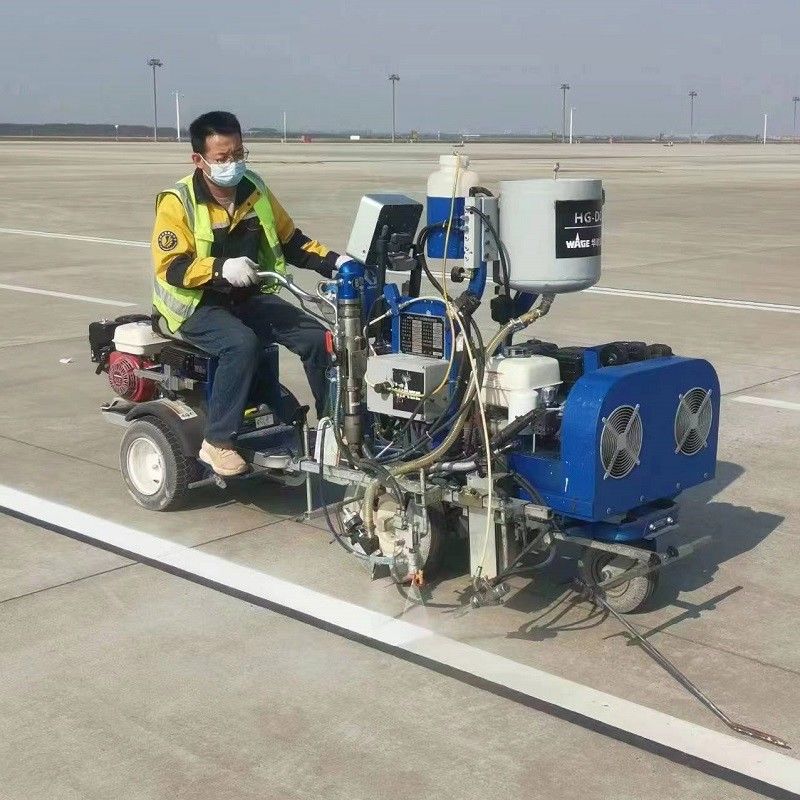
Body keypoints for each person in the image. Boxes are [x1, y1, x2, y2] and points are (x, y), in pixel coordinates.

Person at [151, 110, 347, 477]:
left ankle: (333, 431)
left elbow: (291, 241)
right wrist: (220, 268)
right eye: (222, 157)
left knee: (319, 339)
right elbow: (172, 267)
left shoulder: (254, 189)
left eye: (239, 154)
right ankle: (217, 442)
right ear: (199, 160)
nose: (233, 164)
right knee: (241, 344)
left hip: (245, 299)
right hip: (196, 305)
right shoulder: (178, 201)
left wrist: (336, 261)